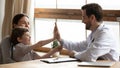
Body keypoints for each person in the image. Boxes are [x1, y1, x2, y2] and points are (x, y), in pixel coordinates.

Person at [54, 3, 119, 61]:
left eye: (84, 17)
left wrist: (75, 54)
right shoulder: (94, 33)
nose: (82, 21)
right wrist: (60, 40)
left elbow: (89, 55)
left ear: (92, 18)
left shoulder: (105, 34)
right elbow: (79, 46)